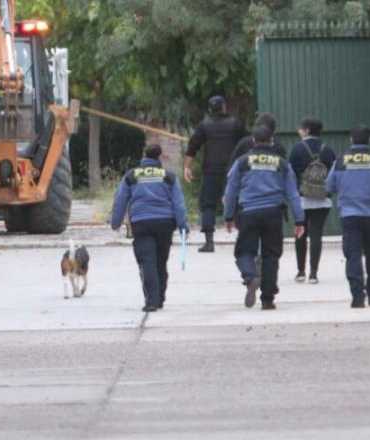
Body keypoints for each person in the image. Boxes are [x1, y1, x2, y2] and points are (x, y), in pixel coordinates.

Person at [223, 126, 305, 310]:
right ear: (272, 141)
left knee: (244, 252)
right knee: (271, 255)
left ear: (253, 140)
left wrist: (228, 215)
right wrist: (299, 220)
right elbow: (292, 193)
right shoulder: (282, 163)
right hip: (273, 213)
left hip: (248, 213)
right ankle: (268, 299)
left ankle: (250, 276)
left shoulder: (242, 162)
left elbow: (231, 191)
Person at [326, 125, 370, 308]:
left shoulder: (340, 161)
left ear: (351, 140)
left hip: (349, 216)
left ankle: (357, 297)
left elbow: (329, 187)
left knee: (353, 255)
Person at [111, 145, 190, 312]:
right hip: (165, 224)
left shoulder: (131, 176)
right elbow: (179, 204)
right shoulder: (169, 177)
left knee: (147, 262)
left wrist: (115, 222)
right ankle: (160, 297)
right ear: (159, 157)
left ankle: (152, 301)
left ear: (144, 157)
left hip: (141, 223)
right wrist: (183, 225)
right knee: (161, 262)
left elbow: (120, 200)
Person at [184, 96, 247, 253]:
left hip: (211, 170)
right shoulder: (235, 124)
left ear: (210, 109)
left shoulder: (204, 125)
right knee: (238, 202)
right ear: (224, 107)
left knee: (208, 205)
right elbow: (247, 143)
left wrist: (187, 167)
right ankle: (244, 238)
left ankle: (209, 242)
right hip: (232, 170)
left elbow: (192, 147)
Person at [288, 116, 337, 284]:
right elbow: (333, 174)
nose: (299, 131)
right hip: (323, 199)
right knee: (316, 234)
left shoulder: (297, 149)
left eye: (301, 128)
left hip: (302, 198)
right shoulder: (328, 150)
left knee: (300, 233)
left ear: (307, 130)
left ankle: (301, 271)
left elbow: (290, 175)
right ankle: (314, 274)